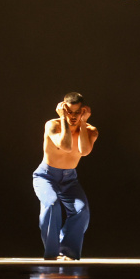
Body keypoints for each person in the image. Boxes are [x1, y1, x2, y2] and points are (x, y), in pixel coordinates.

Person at [32, 92, 99, 260]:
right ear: (62, 109)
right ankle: (52, 253)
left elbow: (83, 151)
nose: (73, 116)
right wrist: (63, 119)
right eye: (69, 111)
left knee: (81, 211)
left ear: (83, 111)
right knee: (52, 204)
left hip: (70, 179)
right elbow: (66, 146)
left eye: (77, 112)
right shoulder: (52, 125)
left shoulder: (91, 130)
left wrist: (83, 122)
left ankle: (67, 251)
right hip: (46, 176)